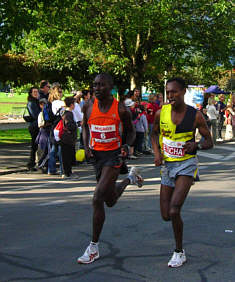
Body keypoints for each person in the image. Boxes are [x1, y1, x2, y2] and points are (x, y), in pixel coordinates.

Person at [77, 73, 144, 264]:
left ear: (111, 87)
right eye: (95, 85)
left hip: (113, 156)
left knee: (97, 197)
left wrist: (126, 146)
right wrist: (86, 145)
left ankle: (93, 247)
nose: (97, 88)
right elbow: (84, 127)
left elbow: (131, 131)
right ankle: (130, 179)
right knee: (110, 200)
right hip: (97, 156)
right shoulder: (88, 106)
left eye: (101, 85)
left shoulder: (121, 108)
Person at [151, 77, 213, 268]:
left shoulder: (195, 116)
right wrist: (157, 153)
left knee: (174, 209)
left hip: (186, 165)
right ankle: (176, 230)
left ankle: (179, 251)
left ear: (184, 92)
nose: (170, 96)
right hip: (168, 166)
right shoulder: (161, 112)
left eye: (174, 92)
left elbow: (209, 142)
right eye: (168, 92)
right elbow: (153, 133)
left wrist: (197, 145)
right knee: (165, 215)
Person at [60, 97, 78, 178]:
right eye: (74, 104)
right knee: (67, 156)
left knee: (67, 155)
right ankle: (67, 172)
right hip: (67, 138)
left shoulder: (65, 113)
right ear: (71, 105)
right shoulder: (68, 114)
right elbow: (69, 125)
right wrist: (76, 125)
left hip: (66, 138)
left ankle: (67, 171)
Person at [26, 87, 41, 171]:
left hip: (37, 125)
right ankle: (31, 163)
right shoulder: (31, 103)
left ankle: (34, 162)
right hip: (34, 126)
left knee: (36, 145)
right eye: (34, 92)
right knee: (34, 145)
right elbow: (35, 115)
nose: (36, 93)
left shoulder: (36, 101)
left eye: (37, 92)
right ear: (31, 93)